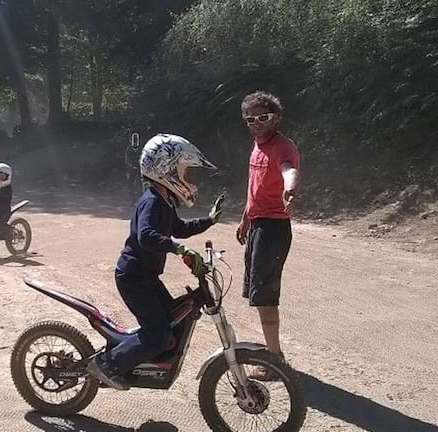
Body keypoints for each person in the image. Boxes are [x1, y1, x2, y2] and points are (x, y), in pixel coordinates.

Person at [87, 134, 225, 390]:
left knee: (172, 322)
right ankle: (108, 364)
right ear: (165, 168)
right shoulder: (151, 201)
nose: (187, 177)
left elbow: (179, 228)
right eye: (183, 170)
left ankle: (145, 364)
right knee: (159, 333)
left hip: (146, 277)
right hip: (133, 278)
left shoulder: (164, 201)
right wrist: (177, 248)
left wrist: (209, 220)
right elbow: (147, 236)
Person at [236, 91, 301, 381]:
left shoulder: (283, 146)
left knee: (265, 296)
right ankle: (273, 353)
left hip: (274, 228)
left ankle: (274, 359)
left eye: (263, 117)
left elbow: (289, 171)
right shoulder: (256, 146)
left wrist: (290, 189)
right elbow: (255, 188)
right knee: (258, 294)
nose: (257, 123)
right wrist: (245, 219)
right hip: (258, 225)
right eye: (251, 119)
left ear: (277, 117)